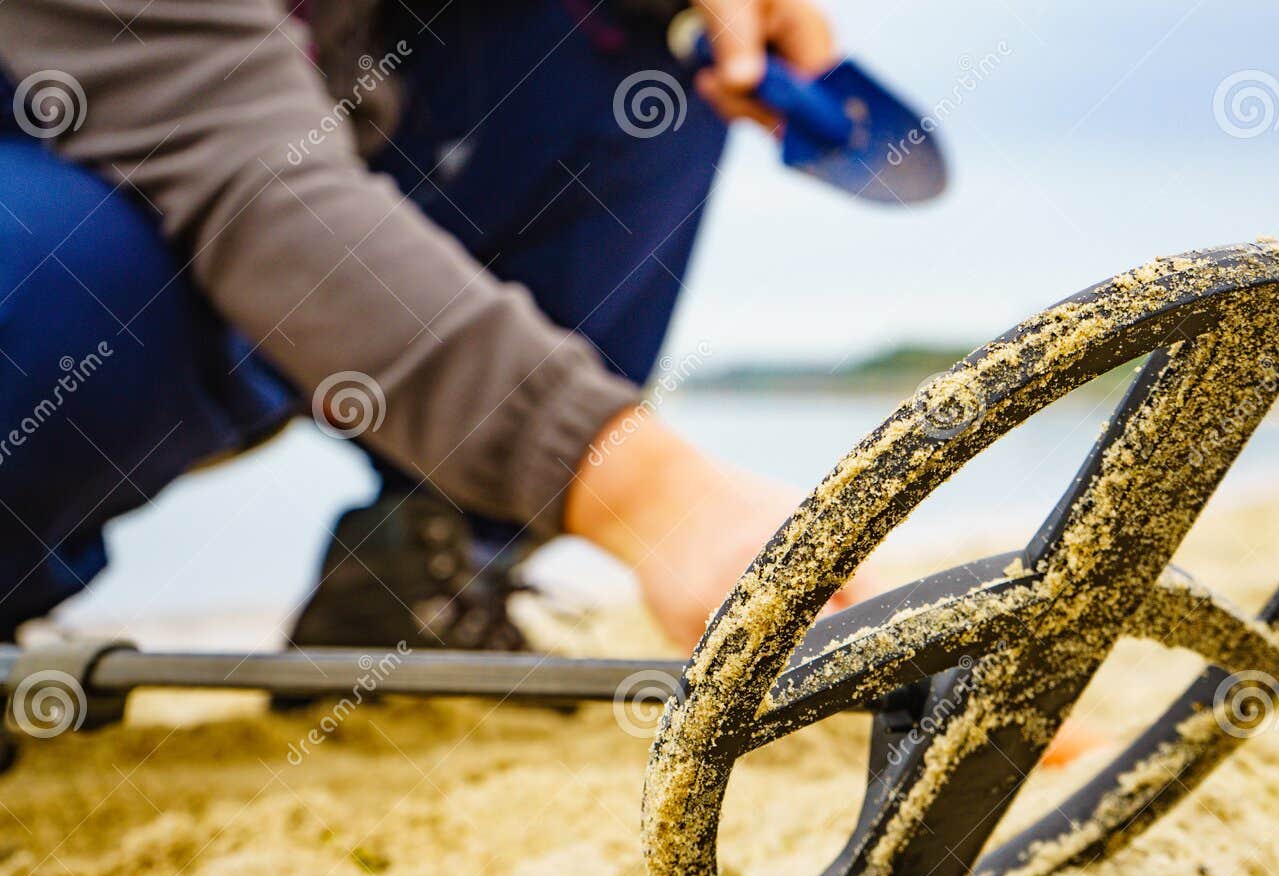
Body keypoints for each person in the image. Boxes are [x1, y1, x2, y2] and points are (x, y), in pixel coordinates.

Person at [0, 0, 861, 651]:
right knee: (69, 265)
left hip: (309, 190)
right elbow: (247, 180)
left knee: (644, 30)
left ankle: (431, 568)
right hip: (111, 210)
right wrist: (653, 495)